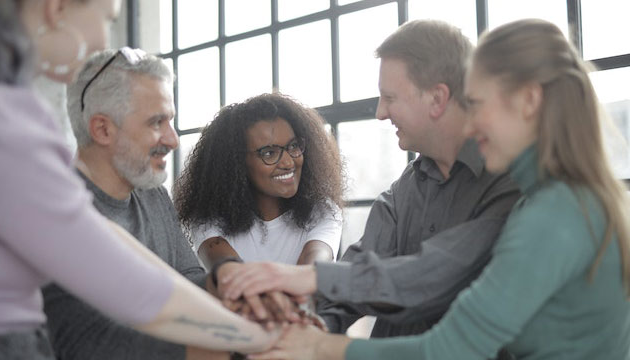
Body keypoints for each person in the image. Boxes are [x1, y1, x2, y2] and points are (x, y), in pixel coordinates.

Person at [226, 19, 630, 360]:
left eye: (477, 103)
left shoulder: (544, 210)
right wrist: (312, 321)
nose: (469, 125)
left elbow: (445, 323)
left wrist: (317, 335)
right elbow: (362, 271)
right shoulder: (415, 190)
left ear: (527, 101)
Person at [0, 1, 278, 359]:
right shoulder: (8, 123)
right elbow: (130, 291)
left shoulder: (148, 195)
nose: (102, 40)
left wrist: (232, 285)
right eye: (108, 18)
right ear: (56, 8)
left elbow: (144, 267)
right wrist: (256, 341)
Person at [217, 20, 519, 348]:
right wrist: (313, 324)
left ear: (437, 98)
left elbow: (432, 276)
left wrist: (305, 277)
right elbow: (360, 270)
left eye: (389, 97)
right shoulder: (405, 188)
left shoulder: (510, 183)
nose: (379, 112)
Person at [41, 48, 227, 360]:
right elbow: (89, 344)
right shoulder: (51, 215)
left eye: (171, 121)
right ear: (102, 129)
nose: (173, 139)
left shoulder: (152, 194)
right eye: (157, 122)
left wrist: (233, 284)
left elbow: (187, 281)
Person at [173, 93, 345, 321]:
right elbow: (228, 270)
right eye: (269, 153)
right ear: (235, 163)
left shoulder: (323, 211)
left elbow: (313, 268)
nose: (288, 162)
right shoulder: (208, 218)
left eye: (294, 146)